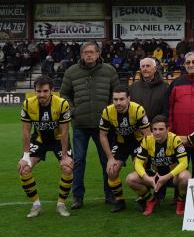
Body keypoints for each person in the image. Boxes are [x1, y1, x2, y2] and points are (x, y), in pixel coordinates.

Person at [60, 41, 119, 210]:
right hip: (80, 124)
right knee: (78, 161)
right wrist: (73, 110)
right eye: (86, 52)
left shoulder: (109, 70)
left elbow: (116, 93)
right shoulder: (71, 72)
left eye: (92, 52)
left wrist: (110, 114)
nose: (89, 55)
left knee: (106, 160)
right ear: (81, 54)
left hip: (104, 127)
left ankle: (110, 194)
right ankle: (77, 197)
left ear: (98, 53)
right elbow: (64, 94)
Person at [18, 75, 73, 218]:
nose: (41, 94)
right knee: (24, 169)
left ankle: (61, 205)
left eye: (45, 91)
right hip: (39, 140)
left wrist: (65, 156)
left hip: (58, 140)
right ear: (35, 91)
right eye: (38, 91)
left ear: (52, 91)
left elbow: (65, 132)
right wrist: (25, 157)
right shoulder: (28, 104)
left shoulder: (62, 104)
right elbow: (25, 131)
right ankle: (36, 205)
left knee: (67, 168)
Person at [98, 85, 151, 213]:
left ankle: (145, 198)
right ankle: (119, 200)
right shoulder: (107, 111)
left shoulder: (138, 110)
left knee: (140, 170)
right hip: (121, 143)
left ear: (129, 99)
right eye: (115, 99)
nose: (118, 103)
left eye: (121, 99)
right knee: (111, 170)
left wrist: (146, 156)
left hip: (139, 143)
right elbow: (103, 136)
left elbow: (148, 136)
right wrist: (110, 158)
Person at [126, 115, 190, 216]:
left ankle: (180, 202)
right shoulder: (147, 140)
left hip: (171, 176)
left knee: (185, 177)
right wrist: (146, 177)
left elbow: (184, 163)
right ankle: (151, 200)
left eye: (161, 129)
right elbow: (138, 162)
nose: (157, 132)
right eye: (154, 129)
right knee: (130, 179)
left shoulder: (175, 140)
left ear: (167, 129)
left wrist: (166, 177)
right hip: (154, 176)